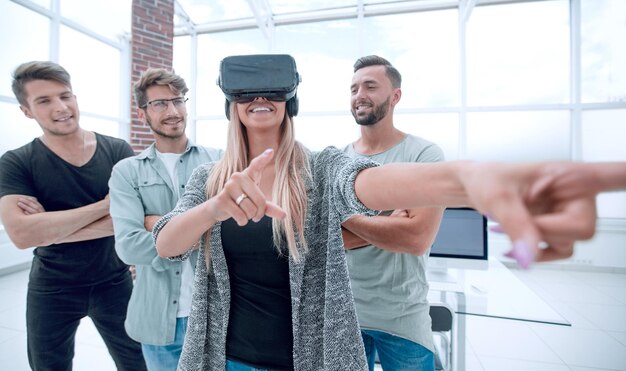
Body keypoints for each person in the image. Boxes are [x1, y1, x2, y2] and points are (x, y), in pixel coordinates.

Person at [153, 54, 626, 371]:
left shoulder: (321, 168)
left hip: (310, 356)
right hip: (224, 357)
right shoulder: (209, 178)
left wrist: (475, 179)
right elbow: (167, 246)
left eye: (271, 93)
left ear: (288, 101)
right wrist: (214, 208)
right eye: (247, 95)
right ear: (232, 105)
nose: (260, 102)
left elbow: (372, 183)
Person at [0, 61, 146, 370]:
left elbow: (137, 219)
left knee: (139, 363)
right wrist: (106, 206)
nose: (60, 107)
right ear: (26, 110)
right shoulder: (16, 162)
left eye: (65, 96)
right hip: (52, 287)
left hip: (115, 281)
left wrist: (49, 227)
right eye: (44, 100)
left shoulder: (117, 150)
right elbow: (22, 235)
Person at [108, 68, 223, 370]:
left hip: (215, 315)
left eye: (178, 101)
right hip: (157, 321)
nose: (172, 111)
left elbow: (237, 233)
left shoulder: (219, 161)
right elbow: (129, 248)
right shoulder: (127, 171)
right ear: (142, 112)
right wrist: (203, 228)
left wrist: (158, 226)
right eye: (160, 103)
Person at [342, 55, 443, 370]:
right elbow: (328, 238)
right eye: (354, 88)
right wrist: (388, 220)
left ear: (395, 96)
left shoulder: (423, 155)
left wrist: (347, 218)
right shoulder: (339, 160)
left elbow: (416, 238)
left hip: (403, 318)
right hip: (346, 318)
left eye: (371, 86)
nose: (360, 95)